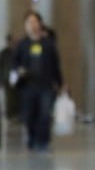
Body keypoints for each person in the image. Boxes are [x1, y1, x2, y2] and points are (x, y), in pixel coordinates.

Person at [13, 10, 64, 151]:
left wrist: (60, 83)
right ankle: (32, 137)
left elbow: (55, 65)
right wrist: (18, 72)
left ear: (40, 24)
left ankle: (43, 141)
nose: (32, 25)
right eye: (29, 22)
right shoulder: (22, 45)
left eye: (35, 22)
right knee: (29, 114)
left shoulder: (48, 44)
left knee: (44, 113)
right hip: (28, 86)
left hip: (45, 85)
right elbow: (14, 64)